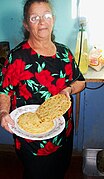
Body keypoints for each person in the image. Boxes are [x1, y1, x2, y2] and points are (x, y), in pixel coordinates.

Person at [0, 0, 85, 178]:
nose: (42, 22)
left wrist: (67, 90)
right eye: (34, 17)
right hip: (32, 139)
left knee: (59, 171)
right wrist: (2, 113)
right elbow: (4, 90)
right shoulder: (17, 57)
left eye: (46, 16)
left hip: (63, 132)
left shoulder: (64, 53)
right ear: (26, 24)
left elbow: (80, 82)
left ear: (53, 19)